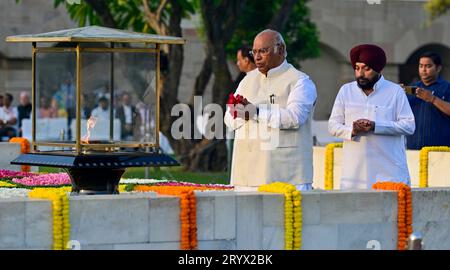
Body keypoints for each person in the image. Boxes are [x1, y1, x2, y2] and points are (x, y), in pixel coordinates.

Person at [224, 29, 317, 191]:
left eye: (263, 51)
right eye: (255, 52)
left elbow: (295, 118)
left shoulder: (300, 81)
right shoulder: (247, 81)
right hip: (245, 172)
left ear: (280, 49)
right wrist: (243, 114)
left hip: (286, 175)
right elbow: (228, 118)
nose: (257, 57)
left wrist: (257, 112)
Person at [328, 44, 415, 189]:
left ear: (378, 69)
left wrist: (376, 126)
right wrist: (352, 130)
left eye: (366, 69)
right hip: (355, 175)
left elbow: (409, 126)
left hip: (389, 172)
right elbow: (333, 125)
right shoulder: (346, 91)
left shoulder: (395, 92)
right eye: (357, 68)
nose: (360, 74)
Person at [405, 52, 450, 149]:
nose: (423, 70)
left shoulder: (447, 88)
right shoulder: (412, 88)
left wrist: (432, 99)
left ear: (438, 68)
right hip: (413, 149)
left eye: (428, 66)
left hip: (440, 149)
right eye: (421, 66)